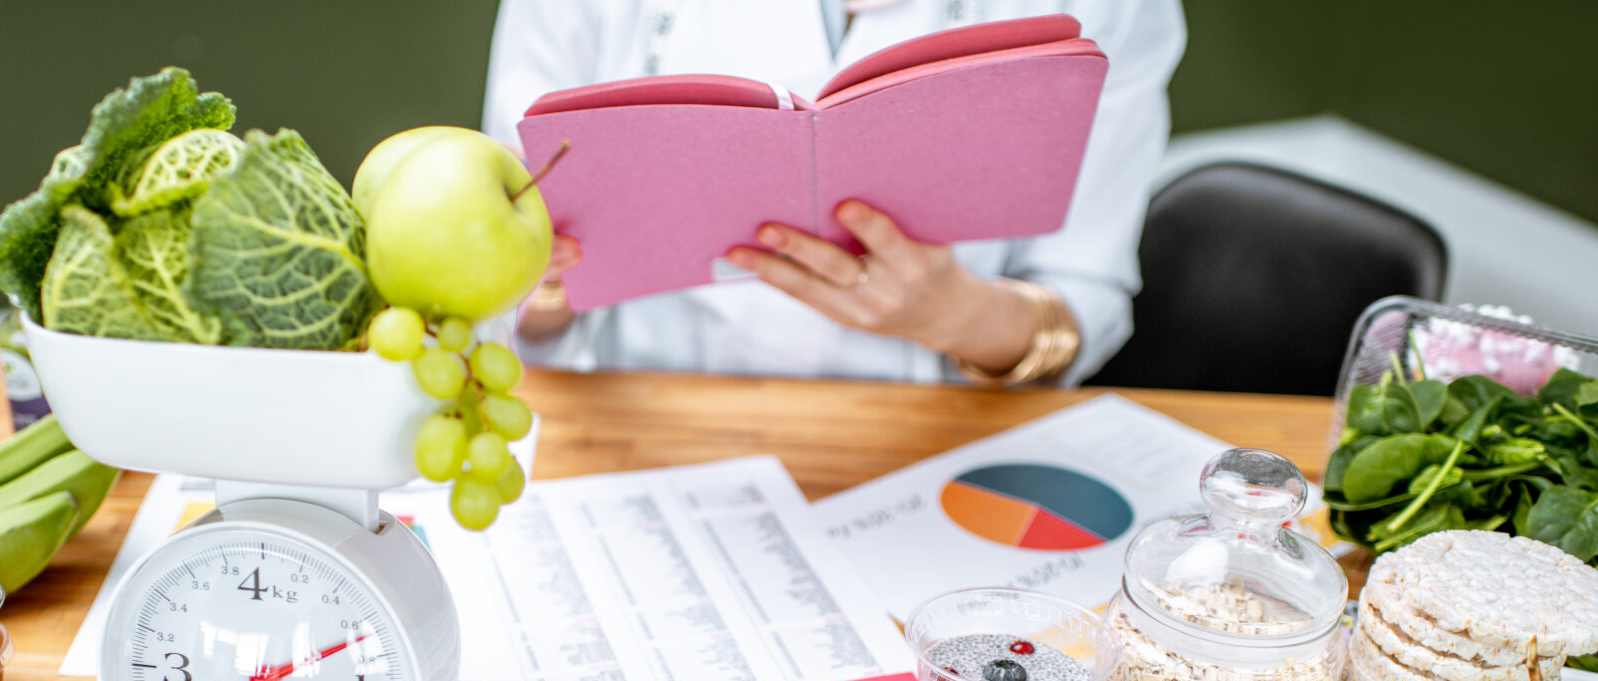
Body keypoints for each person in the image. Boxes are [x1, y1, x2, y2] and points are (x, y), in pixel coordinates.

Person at [483, 0, 1185, 386]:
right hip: (644, 426)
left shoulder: (1119, 8)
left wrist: (962, 317)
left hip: (925, 451)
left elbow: (1085, 294)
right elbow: (510, 263)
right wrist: (538, 287)